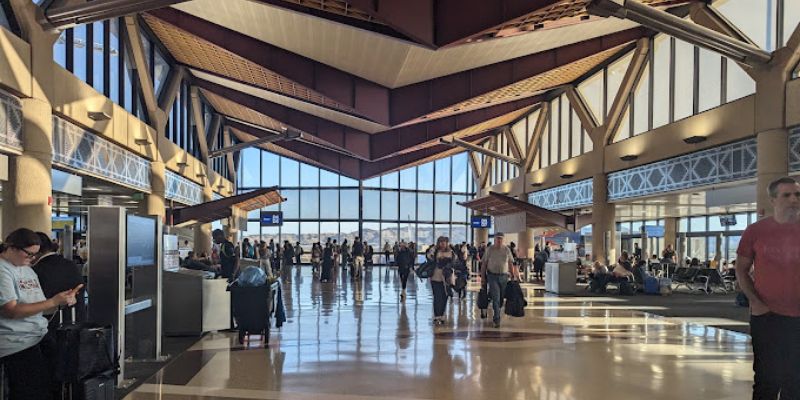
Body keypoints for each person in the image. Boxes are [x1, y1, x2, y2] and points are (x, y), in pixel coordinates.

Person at [736, 177, 800, 399]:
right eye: (787, 195)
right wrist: (755, 301)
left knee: (796, 380)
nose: (794, 199)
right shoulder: (756, 231)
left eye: (797, 195)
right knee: (766, 379)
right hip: (767, 316)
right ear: (773, 200)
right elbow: (741, 270)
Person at [0, 228, 80, 400]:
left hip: (38, 334)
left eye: (35, 255)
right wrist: (53, 302)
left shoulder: (26, 268)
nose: (32, 259)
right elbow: (11, 310)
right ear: (12, 248)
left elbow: (38, 306)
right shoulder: (3, 271)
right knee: (33, 391)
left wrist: (62, 300)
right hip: (16, 341)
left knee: (55, 383)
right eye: (29, 254)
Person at [32, 232, 84, 329]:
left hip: (48, 325)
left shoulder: (37, 270)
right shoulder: (70, 264)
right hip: (75, 321)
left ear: (36, 251)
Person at [480, 232, 517, 328]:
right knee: (496, 297)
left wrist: (513, 275)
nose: (499, 240)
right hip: (492, 276)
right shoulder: (490, 249)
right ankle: (497, 318)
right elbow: (484, 263)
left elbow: (510, 263)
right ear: (494, 240)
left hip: (504, 276)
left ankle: (491, 302)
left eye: (501, 239)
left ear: (503, 240)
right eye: (497, 239)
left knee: (500, 298)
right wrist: (483, 277)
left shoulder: (506, 250)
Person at [430, 236, 454, 325]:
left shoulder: (451, 252)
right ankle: (437, 316)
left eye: (444, 242)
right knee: (437, 297)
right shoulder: (435, 251)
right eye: (441, 242)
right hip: (435, 277)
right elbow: (429, 258)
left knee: (444, 296)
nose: (442, 244)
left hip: (447, 278)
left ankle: (442, 315)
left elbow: (455, 263)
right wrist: (433, 250)